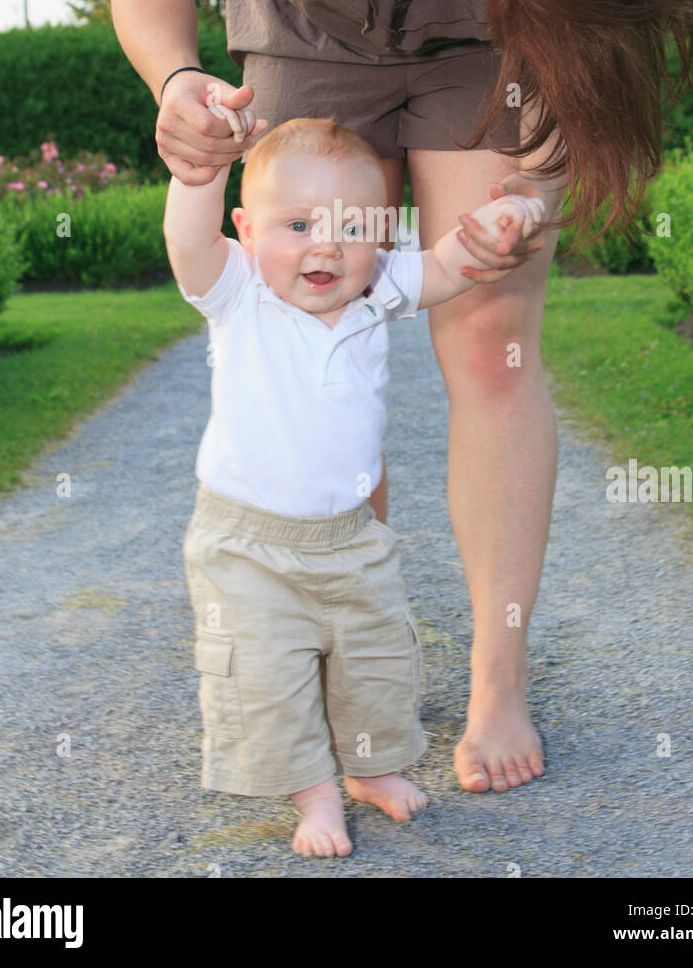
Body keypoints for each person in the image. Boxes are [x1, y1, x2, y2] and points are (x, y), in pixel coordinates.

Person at [110, 0, 693, 795]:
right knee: (317, 324)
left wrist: (530, 200)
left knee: (486, 333)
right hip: (309, 41)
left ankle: (497, 679)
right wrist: (178, 84)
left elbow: (584, 75)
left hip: (482, 58)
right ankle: (331, 658)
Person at [164, 104, 546, 857]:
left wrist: (501, 228)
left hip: (351, 538)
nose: (326, 247)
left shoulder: (376, 292)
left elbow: (445, 266)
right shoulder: (238, 294)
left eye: (351, 227)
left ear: (382, 233)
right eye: (298, 226)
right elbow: (186, 238)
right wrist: (198, 170)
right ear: (246, 229)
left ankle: (369, 770)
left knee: (373, 661)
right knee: (269, 676)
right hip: (247, 544)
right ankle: (314, 795)